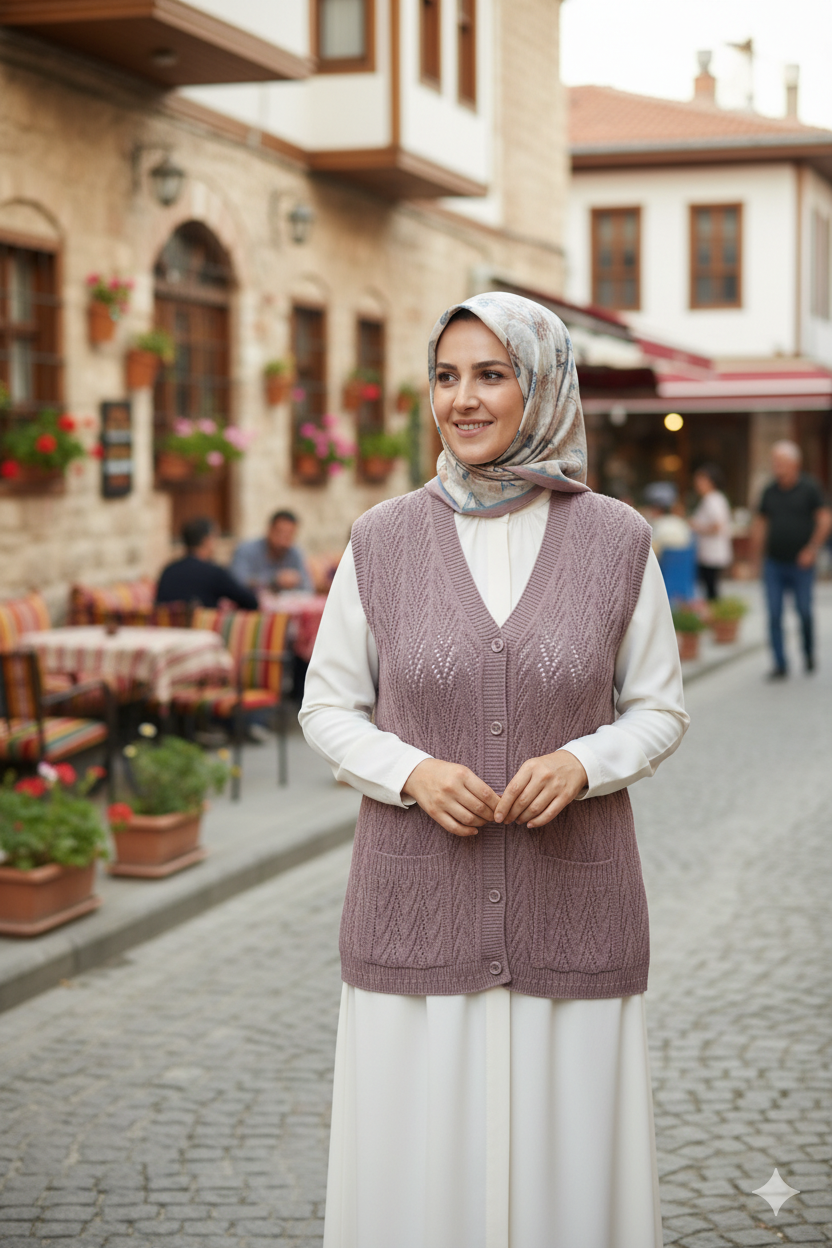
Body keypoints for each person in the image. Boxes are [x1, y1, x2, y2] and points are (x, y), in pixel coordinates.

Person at [300, 292, 689, 1248]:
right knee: (416, 1173)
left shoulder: (617, 539)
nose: (462, 400)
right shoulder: (381, 540)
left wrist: (586, 760)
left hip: (574, 906)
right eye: (445, 376)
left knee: (565, 1171)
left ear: (544, 384)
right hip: (414, 909)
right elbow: (328, 706)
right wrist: (411, 774)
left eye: (491, 373)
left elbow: (660, 707)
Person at [752, 440, 832, 678]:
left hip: (802, 563)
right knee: (774, 614)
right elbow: (760, 523)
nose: (776, 467)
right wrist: (756, 557)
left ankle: (808, 653)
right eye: (774, 463)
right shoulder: (769, 490)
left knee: (804, 611)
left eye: (781, 463)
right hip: (774, 563)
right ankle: (780, 664)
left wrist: (812, 549)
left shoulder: (810, 488)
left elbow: (825, 519)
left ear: (795, 464)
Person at [156, 517, 258, 610]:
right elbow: (250, 601)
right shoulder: (214, 573)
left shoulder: (168, 570)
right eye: (215, 538)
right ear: (207, 541)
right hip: (202, 628)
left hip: (170, 629)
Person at [231, 509, 313, 593]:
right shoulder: (246, 550)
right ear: (269, 530)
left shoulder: (295, 553)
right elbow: (237, 582)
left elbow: (308, 587)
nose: (283, 541)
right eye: (280, 533)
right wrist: (274, 580)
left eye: (289, 535)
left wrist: (296, 581)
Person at [689, 463, 733, 600]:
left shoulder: (712, 499)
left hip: (712, 554)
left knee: (711, 590)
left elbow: (717, 526)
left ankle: (714, 617)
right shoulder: (714, 498)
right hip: (709, 552)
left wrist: (696, 526)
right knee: (710, 589)